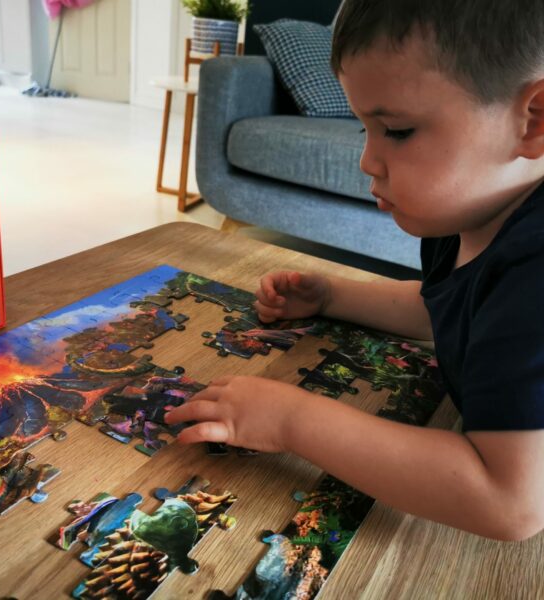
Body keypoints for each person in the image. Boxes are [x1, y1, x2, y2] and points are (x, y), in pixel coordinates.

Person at [166, 0, 544, 541]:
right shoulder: (465, 221)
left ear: (533, 120)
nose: (367, 160)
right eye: (365, 127)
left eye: (396, 130)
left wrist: (290, 419)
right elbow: (452, 310)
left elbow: (510, 504)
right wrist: (331, 296)